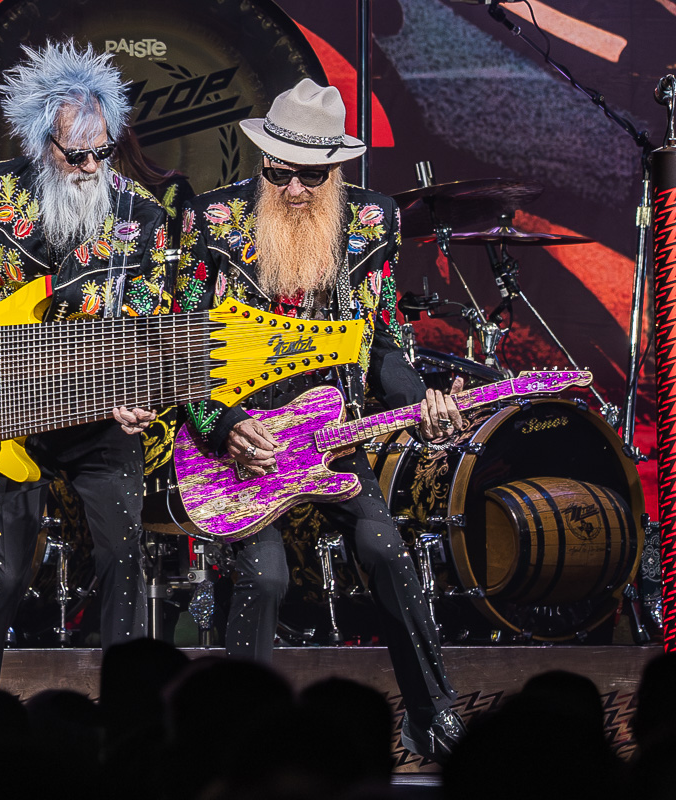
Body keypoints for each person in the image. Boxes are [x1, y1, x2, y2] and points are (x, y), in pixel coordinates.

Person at [173, 78, 466, 763]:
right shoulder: (211, 222)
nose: (296, 189)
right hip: (240, 439)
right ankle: (241, 740)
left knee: (386, 550)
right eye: (280, 172)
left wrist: (420, 400)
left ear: (337, 168)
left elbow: (387, 343)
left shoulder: (371, 223)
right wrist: (222, 426)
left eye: (312, 174)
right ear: (261, 162)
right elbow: (180, 350)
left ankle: (432, 717)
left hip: (332, 432)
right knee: (265, 576)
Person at [0, 41, 169, 714]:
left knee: (124, 563)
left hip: (95, 416)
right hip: (0, 416)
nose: (89, 167)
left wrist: (140, 391)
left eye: (101, 152)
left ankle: (130, 736)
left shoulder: (141, 217)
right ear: (39, 142)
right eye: (73, 153)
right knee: (1, 577)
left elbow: (150, 325)